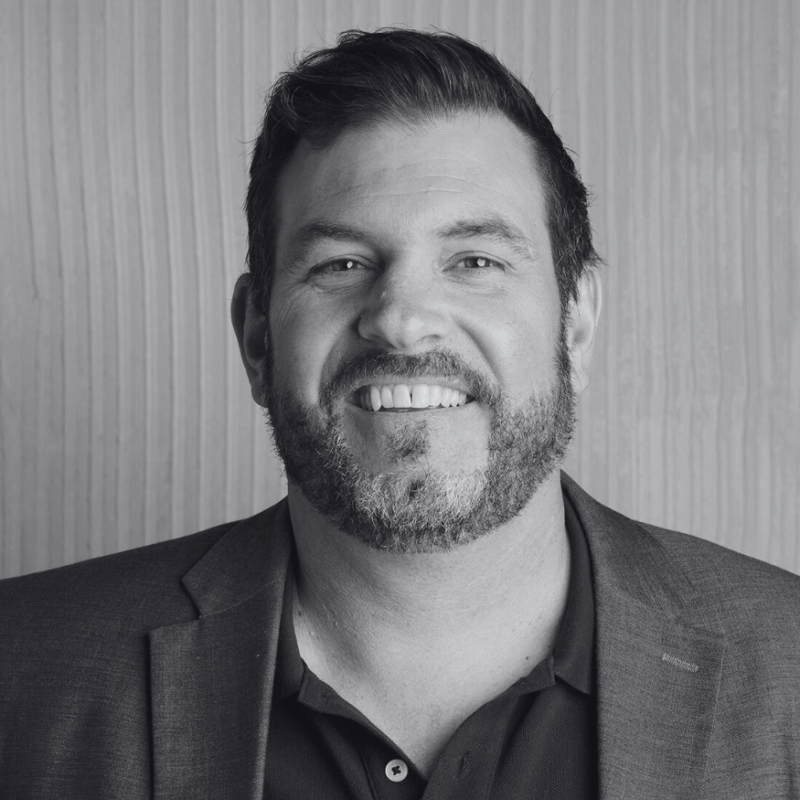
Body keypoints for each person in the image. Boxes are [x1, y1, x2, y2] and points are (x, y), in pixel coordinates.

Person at [1, 28, 798, 800]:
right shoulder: (21, 674)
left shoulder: (786, 669)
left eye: (475, 261)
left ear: (577, 322)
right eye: (342, 263)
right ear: (257, 337)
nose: (403, 321)